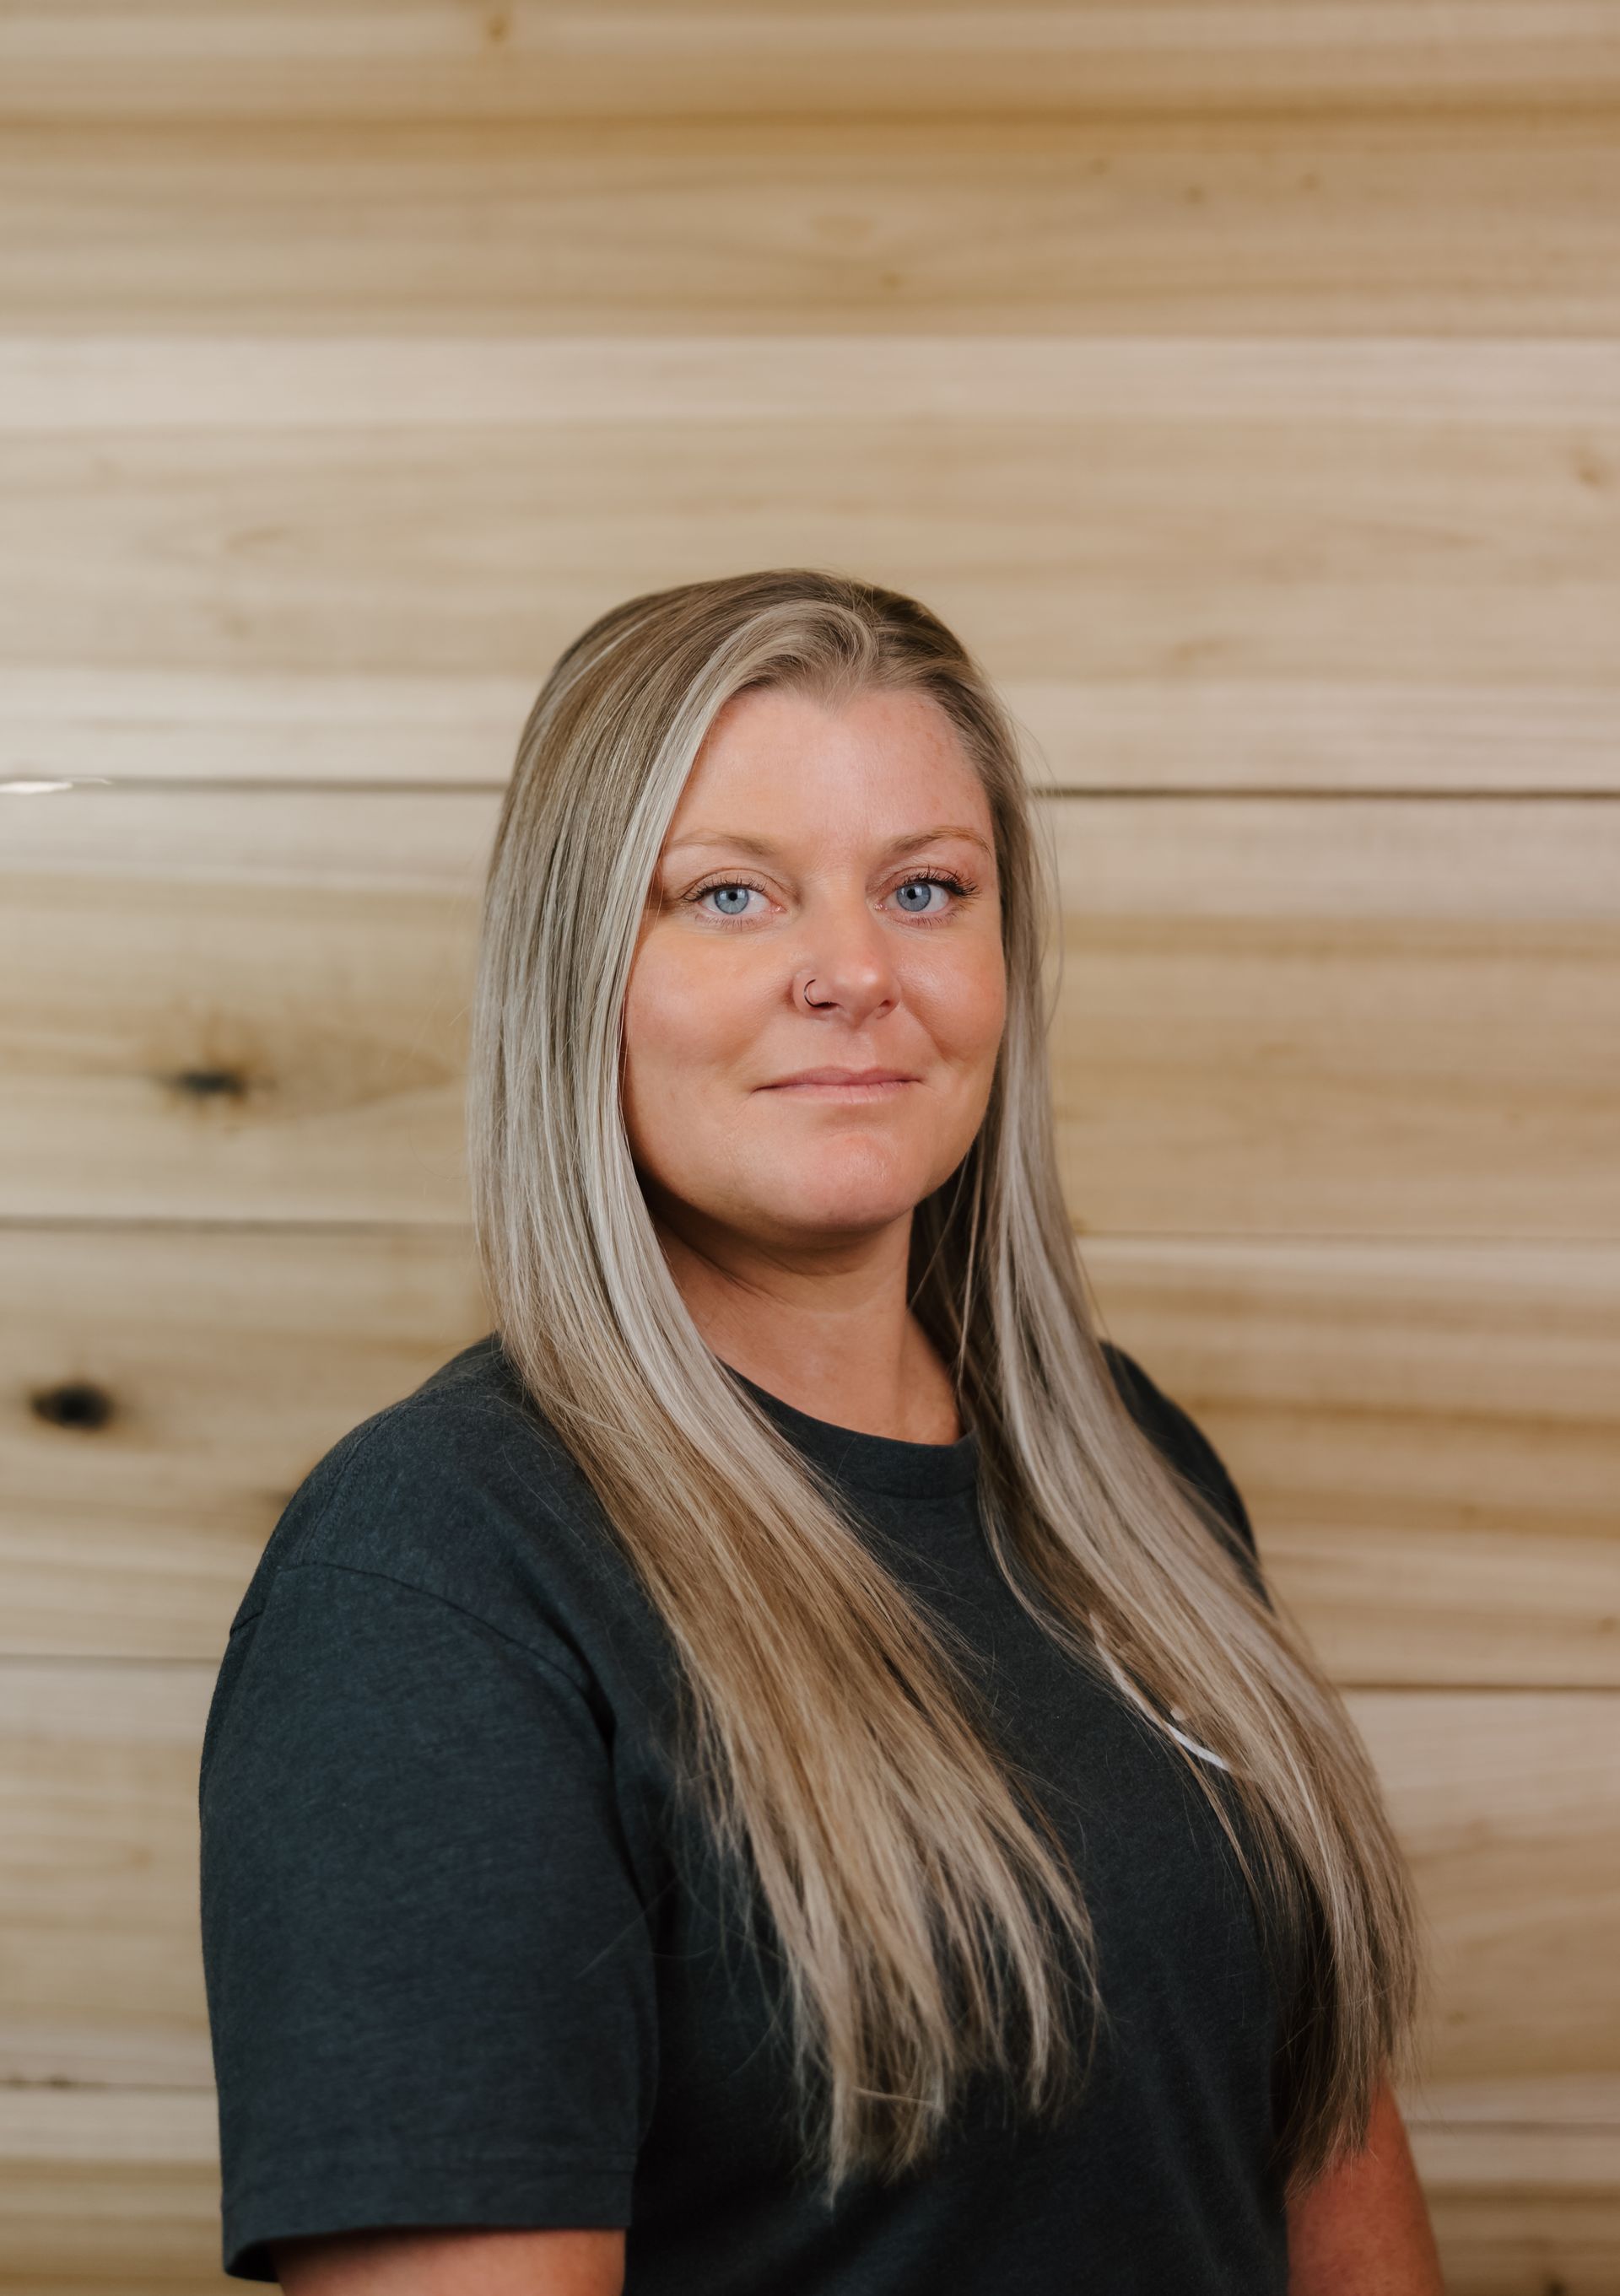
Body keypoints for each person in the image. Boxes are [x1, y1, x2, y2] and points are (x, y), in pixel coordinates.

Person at [198, 569, 1445, 2293]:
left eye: (927, 887)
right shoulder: (435, 1580)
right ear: (582, 975)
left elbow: (1323, 2146)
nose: (855, 971)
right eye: (730, 895)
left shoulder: (1126, 1465)